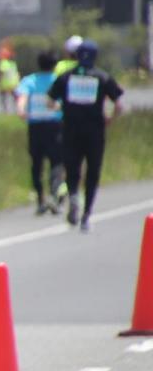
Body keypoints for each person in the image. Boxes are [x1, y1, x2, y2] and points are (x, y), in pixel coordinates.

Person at [48, 40, 123, 233]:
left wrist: (61, 107)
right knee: (93, 171)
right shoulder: (102, 77)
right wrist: (109, 119)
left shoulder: (66, 77)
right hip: (95, 131)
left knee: (72, 167)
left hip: (70, 129)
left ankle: (73, 194)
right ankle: (87, 214)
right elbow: (119, 104)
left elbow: (50, 101)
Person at [14, 50, 66, 215]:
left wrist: (21, 110)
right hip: (54, 125)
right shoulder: (58, 80)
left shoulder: (30, 80)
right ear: (55, 65)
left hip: (35, 126)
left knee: (36, 164)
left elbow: (22, 98)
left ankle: (40, 200)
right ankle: (54, 193)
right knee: (56, 162)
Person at [0, 46, 19, 113]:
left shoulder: (3, 62)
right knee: (15, 98)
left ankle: (5, 111)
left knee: (3, 98)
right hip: (14, 83)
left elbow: (1, 72)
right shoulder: (13, 63)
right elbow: (16, 73)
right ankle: (17, 110)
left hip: (5, 84)